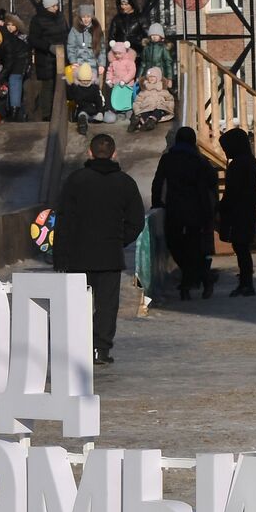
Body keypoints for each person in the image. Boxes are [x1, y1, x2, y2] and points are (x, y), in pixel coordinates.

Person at [52, 133, 145, 365]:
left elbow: (63, 221)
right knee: (107, 306)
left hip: (77, 255)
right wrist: (119, 240)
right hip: (109, 256)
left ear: (89, 153)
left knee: (76, 304)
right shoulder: (125, 183)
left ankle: (77, 348)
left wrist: (60, 257)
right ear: (114, 154)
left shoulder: (75, 180)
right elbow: (136, 221)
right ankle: (100, 350)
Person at [151, 126, 218, 300]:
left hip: (175, 208)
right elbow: (212, 180)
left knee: (175, 245)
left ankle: (189, 283)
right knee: (194, 247)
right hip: (197, 208)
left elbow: (158, 182)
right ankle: (202, 278)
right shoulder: (199, 160)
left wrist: (156, 203)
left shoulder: (168, 159)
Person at [218, 127, 256, 298]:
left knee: (241, 247)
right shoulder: (249, 161)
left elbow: (233, 192)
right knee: (241, 247)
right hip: (246, 210)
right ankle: (245, 282)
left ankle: (246, 283)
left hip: (240, 212)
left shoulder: (240, 164)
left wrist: (222, 207)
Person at [28, 0, 69, 121]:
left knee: (63, 85)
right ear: (46, 7)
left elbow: (66, 33)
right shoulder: (37, 20)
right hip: (46, 59)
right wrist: (48, 47)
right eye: (53, 6)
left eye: (56, 5)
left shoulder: (61, 17)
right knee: (48, 86)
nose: (56, 8)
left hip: (62, 56)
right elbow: (33, 39)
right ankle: (47, 115)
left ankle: (62, 113)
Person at [1, 13, 31, 121]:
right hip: (5, 67)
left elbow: (27, 55)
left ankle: (16, 113)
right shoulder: (2, 37)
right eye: (8, 24)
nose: (10, 27)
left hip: (19, 68)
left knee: (16, 85)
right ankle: (9, 112)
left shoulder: (23, 38)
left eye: (13, 25)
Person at [66, 5, 105, 83]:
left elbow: (102, 48)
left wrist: (101, 64)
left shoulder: (97, 29)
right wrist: (73, 61)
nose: (86, 19)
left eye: (88, 16)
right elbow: (71, 47)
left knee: (93, 87)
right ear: (80, 17)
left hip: (93, 65)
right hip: (79, 64)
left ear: (92, 17)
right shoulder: (74, 30)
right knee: (79, 88)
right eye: (83, 16)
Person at [131, 66, 176, 132]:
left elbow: (170, 99)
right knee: (144, 112)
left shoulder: (162, 90)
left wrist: (168, 107)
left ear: (158, 78)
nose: (151, 78)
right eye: (149, 77)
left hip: (158, 106)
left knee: (158, 112)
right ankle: (137, 121)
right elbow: (137, 101)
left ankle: (150, 121)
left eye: (153, 77)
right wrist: (137, 111)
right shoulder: (144, 91)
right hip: (146, 107)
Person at [68, 63, 106, 136]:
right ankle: (83, 125)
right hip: (83, 109)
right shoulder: (76, 87)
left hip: (94, 110)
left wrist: (100, 111)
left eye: (87, 80)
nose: (85, 82)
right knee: (82, 114)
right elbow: (76, 99)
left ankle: (94, 119)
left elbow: (99, 100)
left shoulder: (94, 87)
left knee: (108, 118)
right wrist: (70, 87)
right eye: (83, 80)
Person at [141, 22, 174, 89]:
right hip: (148, 74)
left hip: (161, 75)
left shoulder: (163, 48)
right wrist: (139, 76)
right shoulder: (146, 48)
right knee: (147, 91)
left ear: (161, 36)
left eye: (157, 35)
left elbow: (168, 63)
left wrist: (169, 78)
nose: (154, 36)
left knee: (160, 92)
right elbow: (143, 63)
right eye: (152, 35)